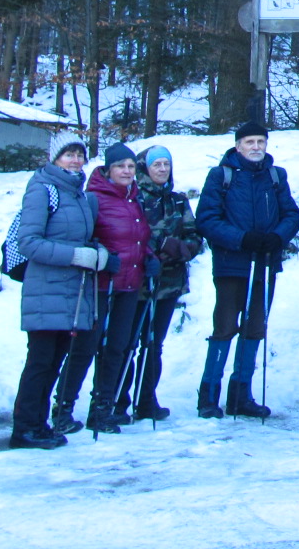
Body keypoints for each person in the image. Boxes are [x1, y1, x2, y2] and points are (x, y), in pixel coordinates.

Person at [195, 119, 299, 420]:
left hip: (265, 263)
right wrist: (242, 239)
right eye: (250, 143)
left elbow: (292, 214)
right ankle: (209, 393)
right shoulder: (221, 176)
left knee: (255, 328)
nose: (256, 148)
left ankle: (241, 393)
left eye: (260, 142)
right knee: (225, 327)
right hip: (232, 264)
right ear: (238, 145)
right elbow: (206, 219)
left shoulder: (275, 176)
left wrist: (276, 237)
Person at [53, 143, 156, 435]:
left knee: (117, 349)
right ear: (108, 169)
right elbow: (82, 237)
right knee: (85, 348)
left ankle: (102, 409)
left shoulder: (136, 199)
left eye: (131, 167)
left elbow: (138, 239)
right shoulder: (93, 199)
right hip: (99, 286)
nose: (126, 171)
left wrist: (149, 259)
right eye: (120, 166)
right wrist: (100, 254)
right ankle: (63, 408)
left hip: (129, 286)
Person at [8, 139, 104, 449]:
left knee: (54, 361)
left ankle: (38, 424)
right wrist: (75, 256)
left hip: (71, 292)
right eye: (69, 154)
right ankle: (23, 429)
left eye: (79, 155)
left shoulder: (77, 193)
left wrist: (95, 252)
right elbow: (29, 242)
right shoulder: (42, 189)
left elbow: (82, 237)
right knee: (40, 361)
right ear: (55, 157)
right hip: (46, 290)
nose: (76, 160)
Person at [118, 145, 204, 422]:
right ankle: (118, 400)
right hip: (136, 283)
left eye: (166, 164)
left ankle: (147, 400)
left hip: (169, 283)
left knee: (154, 344)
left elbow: (195, 236)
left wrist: (179, 248)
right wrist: (155, 246)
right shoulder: (133, 198)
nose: (163, 169)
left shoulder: (178, 201)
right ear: (145, 167)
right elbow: (128, 233)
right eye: (157, 164)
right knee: (126, 343)